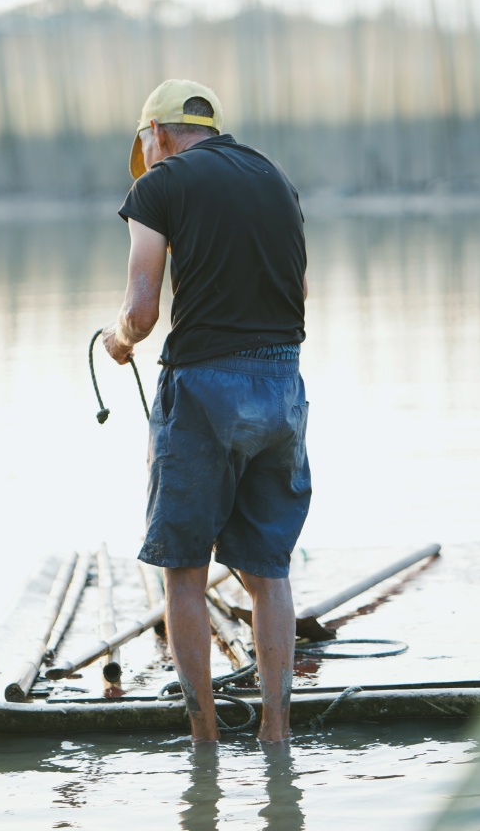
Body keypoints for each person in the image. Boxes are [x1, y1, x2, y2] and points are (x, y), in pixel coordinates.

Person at [102, 79, 310, 744]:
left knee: (183, 573)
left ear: (159, 134)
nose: (150, 158)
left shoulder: (159, 186)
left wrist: (117, 341)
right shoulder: (276, 179)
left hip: (202, 388)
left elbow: (140, 310)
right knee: (268, 573)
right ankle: (277, 735)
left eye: (147, 146)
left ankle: (205, 744)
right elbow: (300, 291)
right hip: (282, 385)